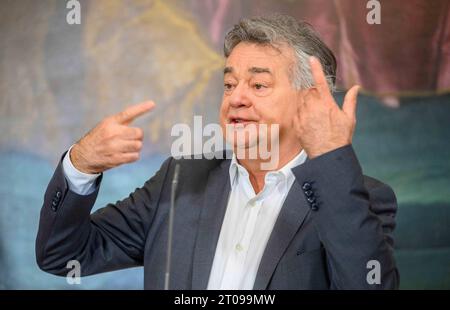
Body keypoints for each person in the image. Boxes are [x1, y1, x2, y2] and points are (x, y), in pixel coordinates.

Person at [36, 14, 399, 289]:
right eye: (229, 83)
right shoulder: (179, 181)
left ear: (311, 101)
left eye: (258, 84)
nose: (236, 97)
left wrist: (330, 160)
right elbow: (64, 255)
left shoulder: (364, 197)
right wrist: (80, 165)